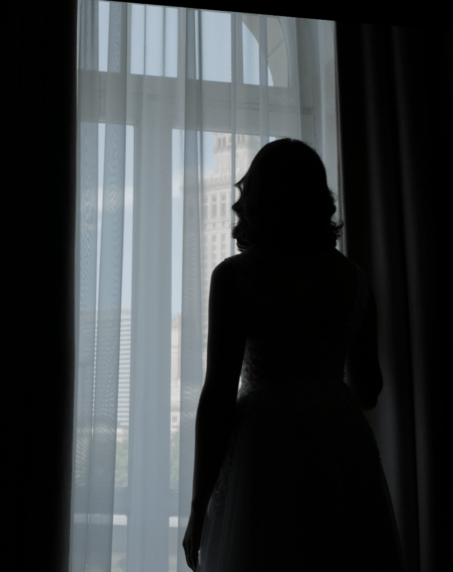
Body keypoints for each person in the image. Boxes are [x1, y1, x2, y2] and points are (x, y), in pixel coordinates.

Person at [181, 138, 406, 572]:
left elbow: (218, 396)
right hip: (340, 439)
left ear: (259, 198)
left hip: (265, 446)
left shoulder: (235, 276)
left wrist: (198, 504)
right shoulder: (354, 278)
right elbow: (368, 389)